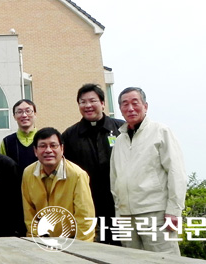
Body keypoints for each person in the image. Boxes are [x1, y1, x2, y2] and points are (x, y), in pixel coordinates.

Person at [110, 87, 187, 255]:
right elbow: (114, 180)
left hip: (155, 213)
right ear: (120, 109)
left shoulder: (160, 132)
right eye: (125, 104)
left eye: (135, 103)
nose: (130, 108)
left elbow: (176, 172)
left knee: (164, 259)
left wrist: (174, 211)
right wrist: (118, 213)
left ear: (145, 106)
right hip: (125, 217)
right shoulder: (119, 141)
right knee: (133, 260)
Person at [62, 84, 124, 244]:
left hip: (121, 207)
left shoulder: (121, 129)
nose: (87, 105)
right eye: (82, 102)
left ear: (103, 103)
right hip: (89, 208)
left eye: (92, 101)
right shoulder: (69, 135)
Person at [22, 127, 95, 241]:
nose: (48, 150)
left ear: (62, 148)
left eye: (53, 145)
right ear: (35, 151)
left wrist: (81, 249)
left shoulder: (77, 175)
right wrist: (34, 241)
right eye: (42, 146)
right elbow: (29, 213)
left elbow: (85, 217)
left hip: (72, 240)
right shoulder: (28, 173)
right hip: (43, 240)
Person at [0, 99, 38, 173]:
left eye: (28, 111)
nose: (24, 115)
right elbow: (1, 168)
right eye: (19, 112)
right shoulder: (7, 142)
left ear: (35, 114)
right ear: (14, 116)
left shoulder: (44, 139)